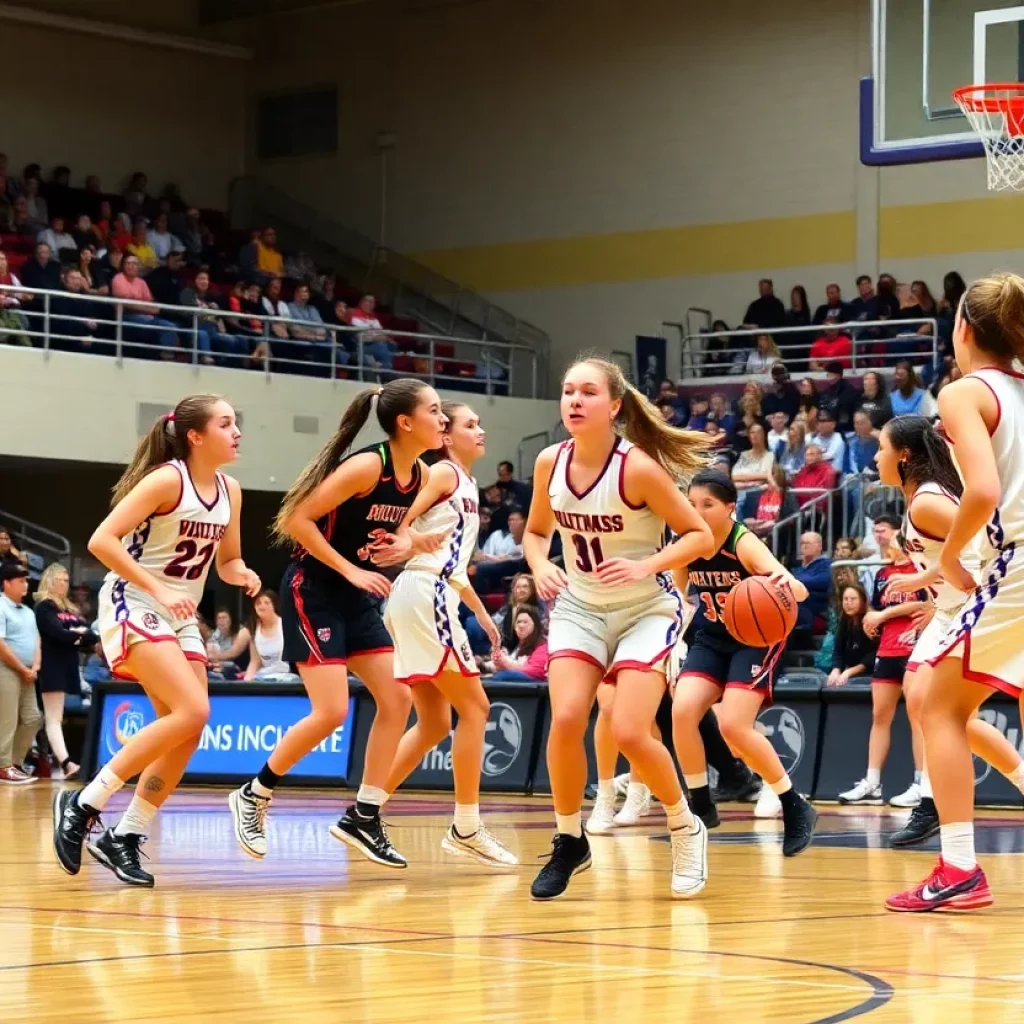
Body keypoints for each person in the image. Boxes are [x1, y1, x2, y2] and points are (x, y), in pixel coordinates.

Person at [227, 380, 447, 869]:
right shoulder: (370, 465)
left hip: (355, 593)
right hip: (314, 589)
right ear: (406, 423)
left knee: (397, 697)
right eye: (435, 411)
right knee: (330, 712)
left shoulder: (421, 474)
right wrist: (351, 569)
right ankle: (254, 793)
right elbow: (298, 520)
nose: (444, 419)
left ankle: (364, 814)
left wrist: (409, 545)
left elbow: (395, 533)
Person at [524, 356, 715, 900]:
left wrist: (645, 564)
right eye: (567, 391)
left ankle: (684, 825)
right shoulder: (547, 463)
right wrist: (540, 565)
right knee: (564, 719)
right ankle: (568, 839)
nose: (575, 401)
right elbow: (536, 533)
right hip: (580, 605)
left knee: (631, 730)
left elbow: (698, 535)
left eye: (587, 391)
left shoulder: (638, 468)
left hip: (645, 610)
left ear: (614, 406)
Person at [52, 395, 261, 887]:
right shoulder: (168, 479)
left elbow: (226, 560)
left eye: (236, 424)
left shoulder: (231, 490)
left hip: (179, 613)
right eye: (226, 424)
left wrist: (242, 572)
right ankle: (85, 802)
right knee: (194, 711)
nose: (237, 432)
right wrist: (159, 587)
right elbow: (102, 540)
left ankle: (124, 834)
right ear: (195, 436)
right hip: (136, 601)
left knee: (186, 728)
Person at [883, 273, 1024, 912]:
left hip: (1013, 560)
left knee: (936, 706)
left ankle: (960, 868)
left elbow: (987, 493)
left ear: (962, 328)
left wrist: (944, 555)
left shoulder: (964, 391)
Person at [871, 415, 1024, 858]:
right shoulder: (915, 497)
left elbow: (984, 552)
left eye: (882, 447)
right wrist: (931, 592)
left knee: (934, 706)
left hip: (971, 604)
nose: (876, 456)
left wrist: (942, 588)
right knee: (928, 705)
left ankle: (936, 805)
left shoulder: (928, 503)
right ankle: (937, 799)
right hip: (946, 610)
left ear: (904, 455)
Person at [372, 402, 517, 866]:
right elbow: (399, 524)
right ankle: (466, 826)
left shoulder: (468, 484)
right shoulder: (443, 474)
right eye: (470, 424)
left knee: (435, 723)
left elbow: (454, 570)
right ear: (447, 436)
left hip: (427, 592)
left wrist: (484, 615)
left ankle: (364, 810)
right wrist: (411, 539)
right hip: (422, 592)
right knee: (476, 708)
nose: (481, 430)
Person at [672, 470, 815, 855]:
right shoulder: (685, 541)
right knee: (682, 710)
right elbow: (678, 598)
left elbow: (794, 588)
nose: (697, 511)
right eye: (691, 504)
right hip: (712, 637)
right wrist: (670, 644)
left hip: (755, 639)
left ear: (730, 508)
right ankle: (701, 802)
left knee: (733, 725)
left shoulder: (744, 543)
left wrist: (788, 584)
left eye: (708, 504)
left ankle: (793, 803)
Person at [836, 539, 927, 807]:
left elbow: (925, 605)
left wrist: (883, 614)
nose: (883, 537)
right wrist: (871, 617)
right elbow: (875, 605)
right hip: (887, 649)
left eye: (888, 532)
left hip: (915, 646)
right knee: (879, 715)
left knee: (917, 716)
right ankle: (872, 784)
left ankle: (921, 783)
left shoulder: (922, 567)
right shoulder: (882, 574)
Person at [34, 563, 98, 779]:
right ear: (50, 581)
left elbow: (90, 635)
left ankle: (58, 760)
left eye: (66, 580)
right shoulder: (44, 607)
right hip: (51, 664)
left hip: (69, 664)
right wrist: (76, 634)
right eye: (60, 579)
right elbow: (56, 633)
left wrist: (76, 634)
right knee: (53, 718)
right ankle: (66, 763)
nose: (64, 584)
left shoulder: (69, 608)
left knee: (54, 717)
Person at [0, 563, 42, 784]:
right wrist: (22, 668)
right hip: (6, 669)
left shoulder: (28, 611)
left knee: (33, 718)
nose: (26, 585)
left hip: (27, 672)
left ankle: (15, 763)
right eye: (20, 581)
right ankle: (2, 766)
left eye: (26, 580)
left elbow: (36, 640)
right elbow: (0, 644)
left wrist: (35, 666)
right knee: (7, 719)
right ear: (6, 583)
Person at [827, 584, 877, 692]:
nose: (848, 603)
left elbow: (871, 657)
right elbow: (838, 648)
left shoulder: (872, 621)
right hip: (850, 668)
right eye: (845, 599)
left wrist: (848, 672)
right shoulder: (845, 619)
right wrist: (836, 670)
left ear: (863, 601)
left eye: (853, 599)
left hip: (870, 673)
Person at [491, 606, 548, 681]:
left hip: (533, 687)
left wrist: (506, 664)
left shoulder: (542, 646)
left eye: (525, 622)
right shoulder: (518, 647)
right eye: (518, 622)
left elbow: (535, 672)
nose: (521, 625)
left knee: (503, 676)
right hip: (517, 686)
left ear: (535, 625)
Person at [243, 590, 290, 680]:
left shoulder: (286, 625)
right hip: (264, 678)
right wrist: (247, 679)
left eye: (266, 603)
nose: (262, 606)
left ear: (274, 605)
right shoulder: (254, 629)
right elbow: (255, 662)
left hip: (287, 676)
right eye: (258, 603)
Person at [206, 607, 250, 680]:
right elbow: (210, 654)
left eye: (224, 618)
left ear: (230, 620)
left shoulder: (241, 632)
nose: (222, 621)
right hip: (217, 667)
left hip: (236, 668)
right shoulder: (215, 634)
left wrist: (216, 658)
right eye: (219, 618)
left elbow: (233, 654)